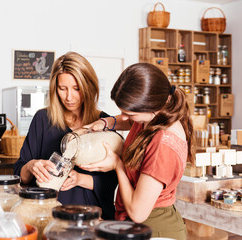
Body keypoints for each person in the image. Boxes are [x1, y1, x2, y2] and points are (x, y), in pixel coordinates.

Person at [81, 63, 194, 239]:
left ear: (150, 106)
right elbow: (131, 121)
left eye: (130, 114)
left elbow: (138, 212)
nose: (124, 118)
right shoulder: (156, 118)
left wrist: (117, 164)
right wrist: (107, 122)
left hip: (154, 228)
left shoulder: (162, 146)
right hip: (139, 224)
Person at [13, 51, 131, 220]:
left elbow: (114, 181)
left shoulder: (102, 123)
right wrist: (31, 166)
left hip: (92, 216)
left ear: (89, 87)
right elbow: (19, 172)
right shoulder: (42, 120)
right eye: (63, 89)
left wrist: (79, 179)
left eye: (77, 89)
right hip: (46, 215)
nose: (69, 97)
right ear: (55, 88)